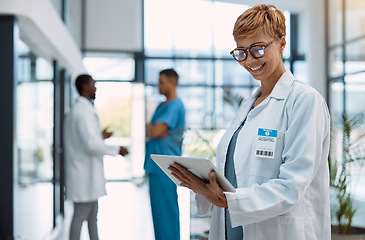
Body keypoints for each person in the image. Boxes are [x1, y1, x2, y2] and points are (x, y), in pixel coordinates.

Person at [169, 4, 330, 240]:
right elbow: (235, 173)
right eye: (241, 52)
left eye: (258, 49)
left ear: (282, 42)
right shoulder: (248, 106)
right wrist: (203, 186)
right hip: (232, 228)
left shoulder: (304, 100)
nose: (249, 60)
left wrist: (225, 199)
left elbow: (292, 186)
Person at [63, 74, 128, 240]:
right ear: (84, 86)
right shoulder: (82, 111)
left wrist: (100, 136)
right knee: (79, 217)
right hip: (83, 176)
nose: (95, 87)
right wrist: (117, 149)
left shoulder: (81, 110)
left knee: (92, 217)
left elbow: (85, 139)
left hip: (87, 176)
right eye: (93, 84)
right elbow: (90, 144)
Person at [144, 69, 185, 240]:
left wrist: (152, 128)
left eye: (161, 82)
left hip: (166, 168)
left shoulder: (175, 105)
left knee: (167, 214)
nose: (158, 85)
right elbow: (151, 130)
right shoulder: (162, 106)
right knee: (158, 215)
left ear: (173, 82)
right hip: (155, 167)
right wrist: (152, 129)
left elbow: (154, 131)